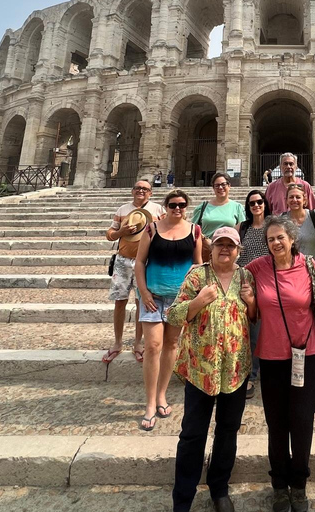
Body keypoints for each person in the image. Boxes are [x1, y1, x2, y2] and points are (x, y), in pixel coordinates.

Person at [169, 227, 256, 512]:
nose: (225, 250)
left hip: (234, 368)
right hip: (200, 369)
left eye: (230, 246)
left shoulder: (245, 277)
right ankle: (183, 496)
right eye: (219, 244)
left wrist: (251, 303)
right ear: (211, 247)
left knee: (228, 431)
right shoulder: (197, 276)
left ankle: (219, 489)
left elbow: (253, 318)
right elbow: (173, 314)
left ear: (238, 250)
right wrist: (197, 302)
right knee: (193, 433)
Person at [246, 216, 315, 512]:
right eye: (270, 239)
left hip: (307, 353)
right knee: (276, 423)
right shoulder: (257, 268)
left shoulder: (307, 265)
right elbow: (229, 276)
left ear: (292, 238)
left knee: (303, 421)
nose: (276, 243)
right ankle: (279, 485)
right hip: (272, 355)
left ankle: (299, 484)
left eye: (281, 237)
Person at [134, 189, 202, 431]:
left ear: (186, 207)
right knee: (153, 346)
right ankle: (150, 403)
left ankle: (161, 394)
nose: (177, 208)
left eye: (182, 205)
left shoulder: (194, 230)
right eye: (173, 204)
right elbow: (140, 262)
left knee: (172, 345)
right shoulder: (152, 229)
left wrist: (192, 292)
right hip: (153, 297)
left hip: (179, 298)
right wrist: (143, 292)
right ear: (166, 206)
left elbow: (197, 263)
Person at [103, 180, 165, 364]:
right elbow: (109, 235)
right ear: (132, 191)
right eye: (137, 188)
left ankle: (138, 343)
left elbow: (164, 231)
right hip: (122, 261)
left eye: (145, 189)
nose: (141, 191)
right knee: (119, 301)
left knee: (142, 302)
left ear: (151, 193)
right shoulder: (123, 209)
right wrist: (121, 231)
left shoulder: (158, 210)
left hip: (146, 261)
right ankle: (117, 342)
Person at [238, 189, 273, 399]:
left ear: (265, 204)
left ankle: (257, 372)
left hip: (267, 282)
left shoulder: (272, 225)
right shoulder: (243, 227)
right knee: (249, 329)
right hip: (245, 283)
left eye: (259, 202)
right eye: (252, 203)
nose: (256, 205)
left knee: (262, 330)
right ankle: (248, 372)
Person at [192, 172, 246, 260]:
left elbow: (242, 232)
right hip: (206, 252)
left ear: (229, 186)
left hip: (228, 252)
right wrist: (205, 240)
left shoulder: (237, 207)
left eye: (223, 184)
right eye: (217, 185)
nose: (220, 187)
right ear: (213, 188)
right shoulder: (202, 207)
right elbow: (194, 229)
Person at [282, 183, 315, 265]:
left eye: (298, 197)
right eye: (291, 197)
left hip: (311, 270)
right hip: (289, 270)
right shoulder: (281, 220)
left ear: (304, 200)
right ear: (286, 200)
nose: (294, 200)